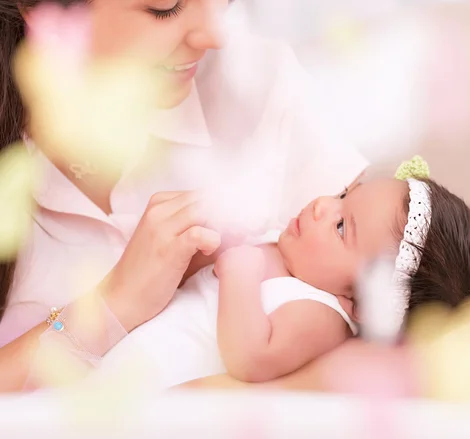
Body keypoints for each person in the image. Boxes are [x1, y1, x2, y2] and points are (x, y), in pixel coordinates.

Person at [0, 0, 367, 391]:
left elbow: (388, 323)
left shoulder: (256, 81)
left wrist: (195, 402)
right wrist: (115, 303)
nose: (213, 35)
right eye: (165, 7)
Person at [92, 157, 470, 389]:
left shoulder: (320, 315)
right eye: (342, 198)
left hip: (154, 401)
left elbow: (251, 360)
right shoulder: (286, 247)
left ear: (362, 302)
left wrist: (239, 276)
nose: (321, 206)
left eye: (341, 227)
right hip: (112, 370)